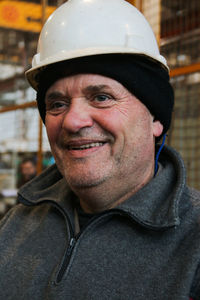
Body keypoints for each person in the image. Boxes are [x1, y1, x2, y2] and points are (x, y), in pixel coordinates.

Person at [0, 0, 200, 299]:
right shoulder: (15, 225)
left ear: (155, 118)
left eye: (102, 97)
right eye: (57, 104)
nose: (73, 121)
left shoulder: (193, 244)